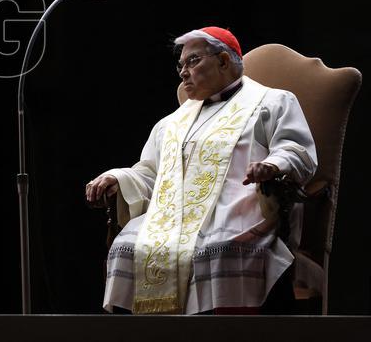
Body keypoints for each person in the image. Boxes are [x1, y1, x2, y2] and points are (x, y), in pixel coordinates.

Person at [85, 27, 317, 314]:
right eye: (180, 65)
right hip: (171, 219)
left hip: (238, 211)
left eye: (193, 61)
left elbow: (296, 149)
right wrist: (118, 177)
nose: (183, 72)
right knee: (128, 247)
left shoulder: (273, 102)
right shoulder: (172, 122)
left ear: (223, 61)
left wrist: (272, 165)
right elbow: (149, 173)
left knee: (218, 250)